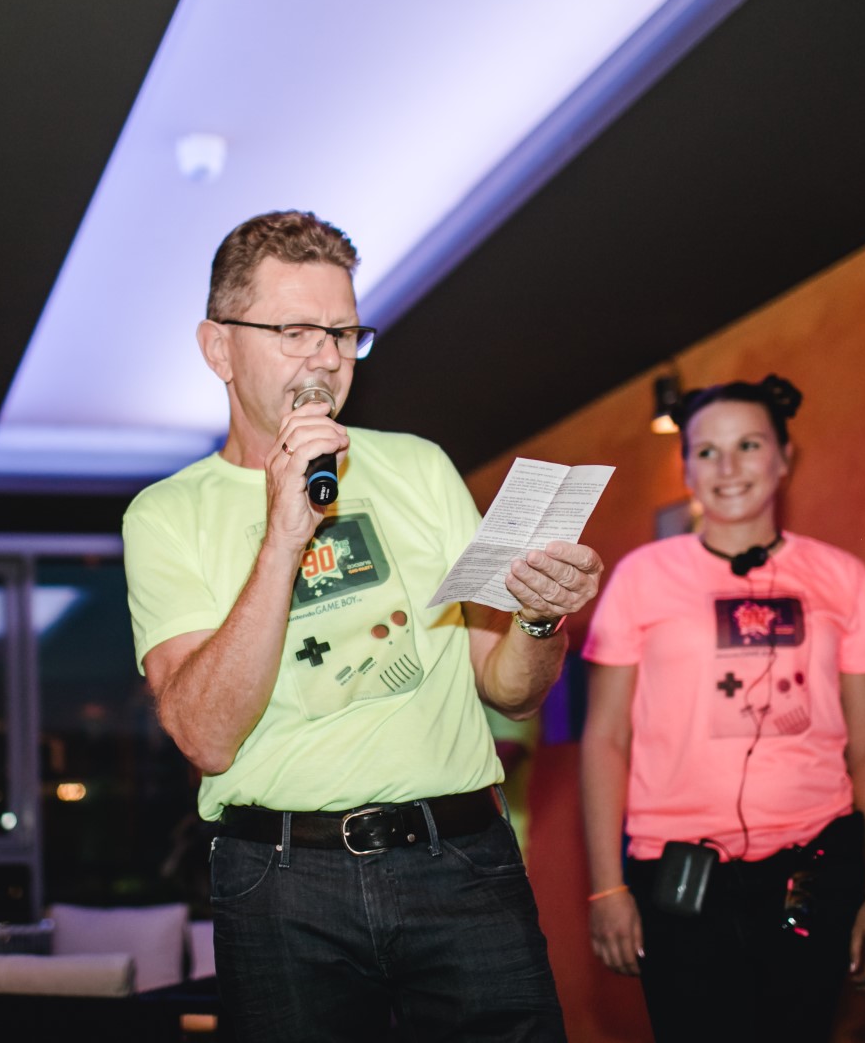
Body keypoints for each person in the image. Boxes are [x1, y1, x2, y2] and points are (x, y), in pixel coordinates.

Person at [122, 210, 602, 1041]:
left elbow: (510, 689)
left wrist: (539, 618)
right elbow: (206, 736)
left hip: (461, 859)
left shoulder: (420, 465)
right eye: (295, 332)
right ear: (219, 348)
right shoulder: (165, 515)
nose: (326, 358)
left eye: (343, 333)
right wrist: (283, 536)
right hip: (281, 881)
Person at [579, 374, 865, 1041]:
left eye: (749, 445)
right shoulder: (641, 576)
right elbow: (605, 737)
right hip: (677, 875)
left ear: (785, 458)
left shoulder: (842, 577)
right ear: (686, 468)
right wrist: (607, 887)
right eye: (707, 451)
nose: (728, 468)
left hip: (814, 869)